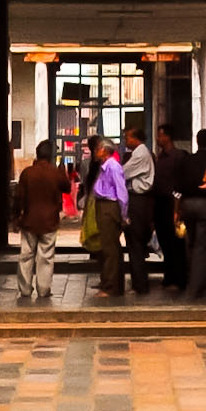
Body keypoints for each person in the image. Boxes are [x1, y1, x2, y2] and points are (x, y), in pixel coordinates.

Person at [13, 136, 63, 305]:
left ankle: (25, 289)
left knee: (26, 255)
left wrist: (16, 216)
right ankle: (44, 289)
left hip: (29, 219)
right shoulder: (54, 172)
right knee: (46, 256)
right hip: (49, 220)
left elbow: (19, 197)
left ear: (37, 154)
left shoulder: (27, 173)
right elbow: (67, 186)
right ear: (50, 156)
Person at [117, 115, 156, 293]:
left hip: (138, 201)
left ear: (135, 138)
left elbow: (123, 173)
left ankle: (140, 284)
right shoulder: (139, 153)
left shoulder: (140, 153)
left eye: (127, 137)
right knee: (135, 244)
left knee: (135, 244)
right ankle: (138, 282)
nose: (126, 140)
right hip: (138, 200)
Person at [88, 131, 129, 297]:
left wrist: (124, 215)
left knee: (109, 249)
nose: (96, 151)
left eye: (98, 149)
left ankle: (111, 287)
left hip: (109, 208)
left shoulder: (113, 167)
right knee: (110, 247)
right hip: (103, 206)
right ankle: (112, 284)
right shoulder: (105, 167)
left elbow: (122, 193)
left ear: (104, 151)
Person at [148, 120, 188, 289]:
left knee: (176, 242)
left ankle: (179, 277)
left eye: (160, 135)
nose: (158, 138)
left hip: (173, 203)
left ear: (167, 137)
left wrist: (178, 207)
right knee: (164, 240)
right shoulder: (160, 157)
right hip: (159, 202)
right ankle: (169, 274)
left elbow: (181, 182)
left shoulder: (179, 156)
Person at [181, 126, 206, 297]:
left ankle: (196, 278)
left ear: (197, 140)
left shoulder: (188, 160)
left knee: (191, 242)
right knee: (201, 246)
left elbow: (178, 185)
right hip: (204, 203)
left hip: (187, 203)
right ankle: (195, 286)